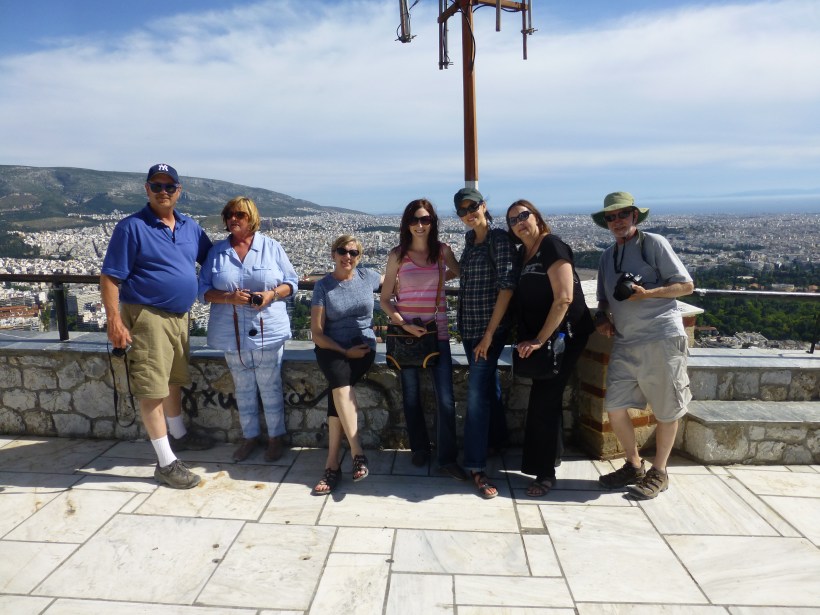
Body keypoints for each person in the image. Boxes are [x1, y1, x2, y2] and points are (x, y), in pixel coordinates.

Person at [101, 163, 213, 489]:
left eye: (169, 186)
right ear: (146, 189)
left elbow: (214, 258)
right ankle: (165, 464)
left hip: (180, 316)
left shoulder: (190, 227)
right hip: (147, 315)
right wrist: (114, 321)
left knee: (173, 380)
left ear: (179, 190)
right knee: (152, 388)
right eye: (156, 186)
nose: (163, 192)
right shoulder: (131, 228)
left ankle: (178, 434)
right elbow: (110, 276)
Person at [593, 191, 694, 499]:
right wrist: (602, 319)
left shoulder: (654, 244)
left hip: (661, 337)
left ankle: (660, 471)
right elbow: (602, 300)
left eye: (622, 214)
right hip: (626, 341)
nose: (617, 221)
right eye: (611, 217)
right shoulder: (606, 257)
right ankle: (634, 464)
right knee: (614, 406)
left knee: (666, 409)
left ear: (635, 216)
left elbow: (687, 286)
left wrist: (646, 294)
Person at [198, 196, 299, 463]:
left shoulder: (272, 247)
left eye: (240, 214)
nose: (234, 218)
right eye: (230, 214)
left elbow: (292, 282)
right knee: (242, 387)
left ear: (252, 217)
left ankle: (276, 437)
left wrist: (271, 295)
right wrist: (228, 298)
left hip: (267, 327)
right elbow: (203, 290)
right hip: (232, 331)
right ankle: (250, 436)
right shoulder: (217, 252)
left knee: (270, 384)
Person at [506, 200, 594, 497]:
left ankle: (544, 473)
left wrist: (540, 339)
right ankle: (547, 461)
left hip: (563, 337)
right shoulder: (523, 253)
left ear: (537, 218)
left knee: (544, 398)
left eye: (523, 215)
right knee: (547, 396)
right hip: (545, 337)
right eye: (512, 220)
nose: (519, 222)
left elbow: (564, 298)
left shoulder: (552, 246)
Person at [379, 198, 466, 480]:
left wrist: (443, 276)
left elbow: (461, 272)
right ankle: (419, 448)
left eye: (425, 219)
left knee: (445, 398)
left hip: (436, 332)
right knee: (412, 396)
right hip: (406, 335)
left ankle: (446, 457)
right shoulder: (397, 255)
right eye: (415, 219)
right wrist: (403, 324)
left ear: (432, 223)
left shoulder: (442, 252)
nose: (419, 224)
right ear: (407, 223)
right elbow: (385, 300)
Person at [454, 187, 519, 499]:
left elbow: (507, 287)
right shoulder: (469, 241)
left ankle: (475, 466)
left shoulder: (498, 240)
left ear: (483, 206)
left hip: (488, 332)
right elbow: (466, 278)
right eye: (462, 210)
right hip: (469, 328)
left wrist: (490, 335)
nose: (469, 213)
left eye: (473, 206)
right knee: (489, 385)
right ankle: (498, 439)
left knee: (477, 395)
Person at [310, 235, 383, 495]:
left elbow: (396, 280)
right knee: (340, 385)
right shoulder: (323, 287)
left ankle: (332, 466)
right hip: (331, 347)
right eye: (343, 251)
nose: (348, 256)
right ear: (333, 254)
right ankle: (356, 452)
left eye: (354, 252)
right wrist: (343, 351)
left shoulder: (368, 277)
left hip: (363, 347)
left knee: (337, 390)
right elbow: (317, 333)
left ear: (359, 257)